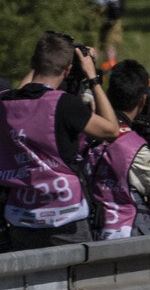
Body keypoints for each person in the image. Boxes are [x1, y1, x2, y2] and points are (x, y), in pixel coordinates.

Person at [0, 33, 121, 248]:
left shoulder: (6, 104)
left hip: (21, 217)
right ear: (67, 70)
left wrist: (43, 59)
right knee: (77, 279)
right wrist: (93, 78)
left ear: (34, 63)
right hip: (65, 216)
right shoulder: (64, 105)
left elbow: (23, 92)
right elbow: (111, 129)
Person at [87, 61, 150, 239]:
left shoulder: (89, 126)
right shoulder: (133, 147)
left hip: (89, 229)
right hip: (123, 235)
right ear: (142, 99)